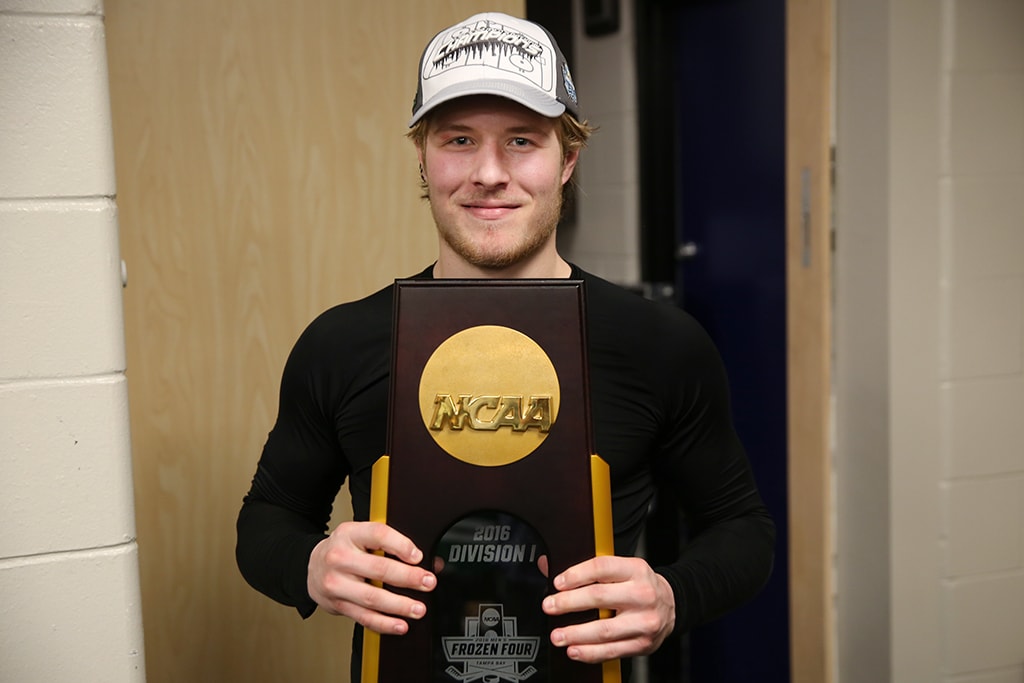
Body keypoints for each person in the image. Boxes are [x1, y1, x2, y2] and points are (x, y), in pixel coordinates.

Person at [236, 10, 775, 680]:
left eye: (522, 140)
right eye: (459, 139)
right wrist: (311, 565)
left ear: (568, 158)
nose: (489, 172)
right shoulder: (342, 344)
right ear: (423, 157)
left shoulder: (657, 344)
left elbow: (743, 530)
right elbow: (267, 520)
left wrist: (673, 595)